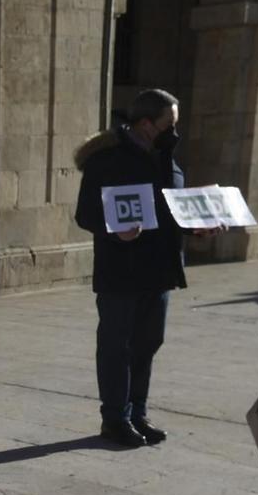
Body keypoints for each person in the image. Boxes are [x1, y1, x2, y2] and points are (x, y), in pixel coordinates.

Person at [73, 88, 197, 447]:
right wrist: (115, 232)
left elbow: (172, 212)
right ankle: (114, 418)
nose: (175, 131)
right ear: (145, 123)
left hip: (159, 271)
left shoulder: (166, 158)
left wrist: (198, 227)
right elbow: (86, 214)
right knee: (117, 346)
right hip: (120, 272)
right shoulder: (106, 160)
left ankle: (137, 413)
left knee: (147, 344)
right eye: (168, 124)